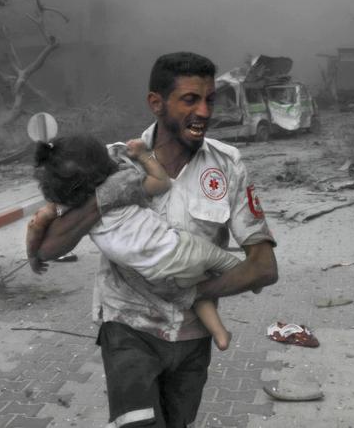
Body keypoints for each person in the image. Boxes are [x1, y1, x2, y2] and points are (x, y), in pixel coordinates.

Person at [30, 52, 278, 428]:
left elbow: (263, 267)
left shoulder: (228, 166)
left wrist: (197, 294)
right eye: (190, 100)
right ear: (156, 103)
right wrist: (105, 198)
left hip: (193, 339)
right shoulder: (107, 163)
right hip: (128, 331)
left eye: (210, 99)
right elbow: (49, 247)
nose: (205, 111)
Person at [27, 133, 243, 350]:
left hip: (151, 274)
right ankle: (246, 276)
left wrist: (32, 256)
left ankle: (220, 334)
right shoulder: (121, 178)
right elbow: (162, 182)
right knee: (222, 263)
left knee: (193, 293)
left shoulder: (63, 205)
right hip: (174, 253)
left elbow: (36, 227)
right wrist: (143, 155)